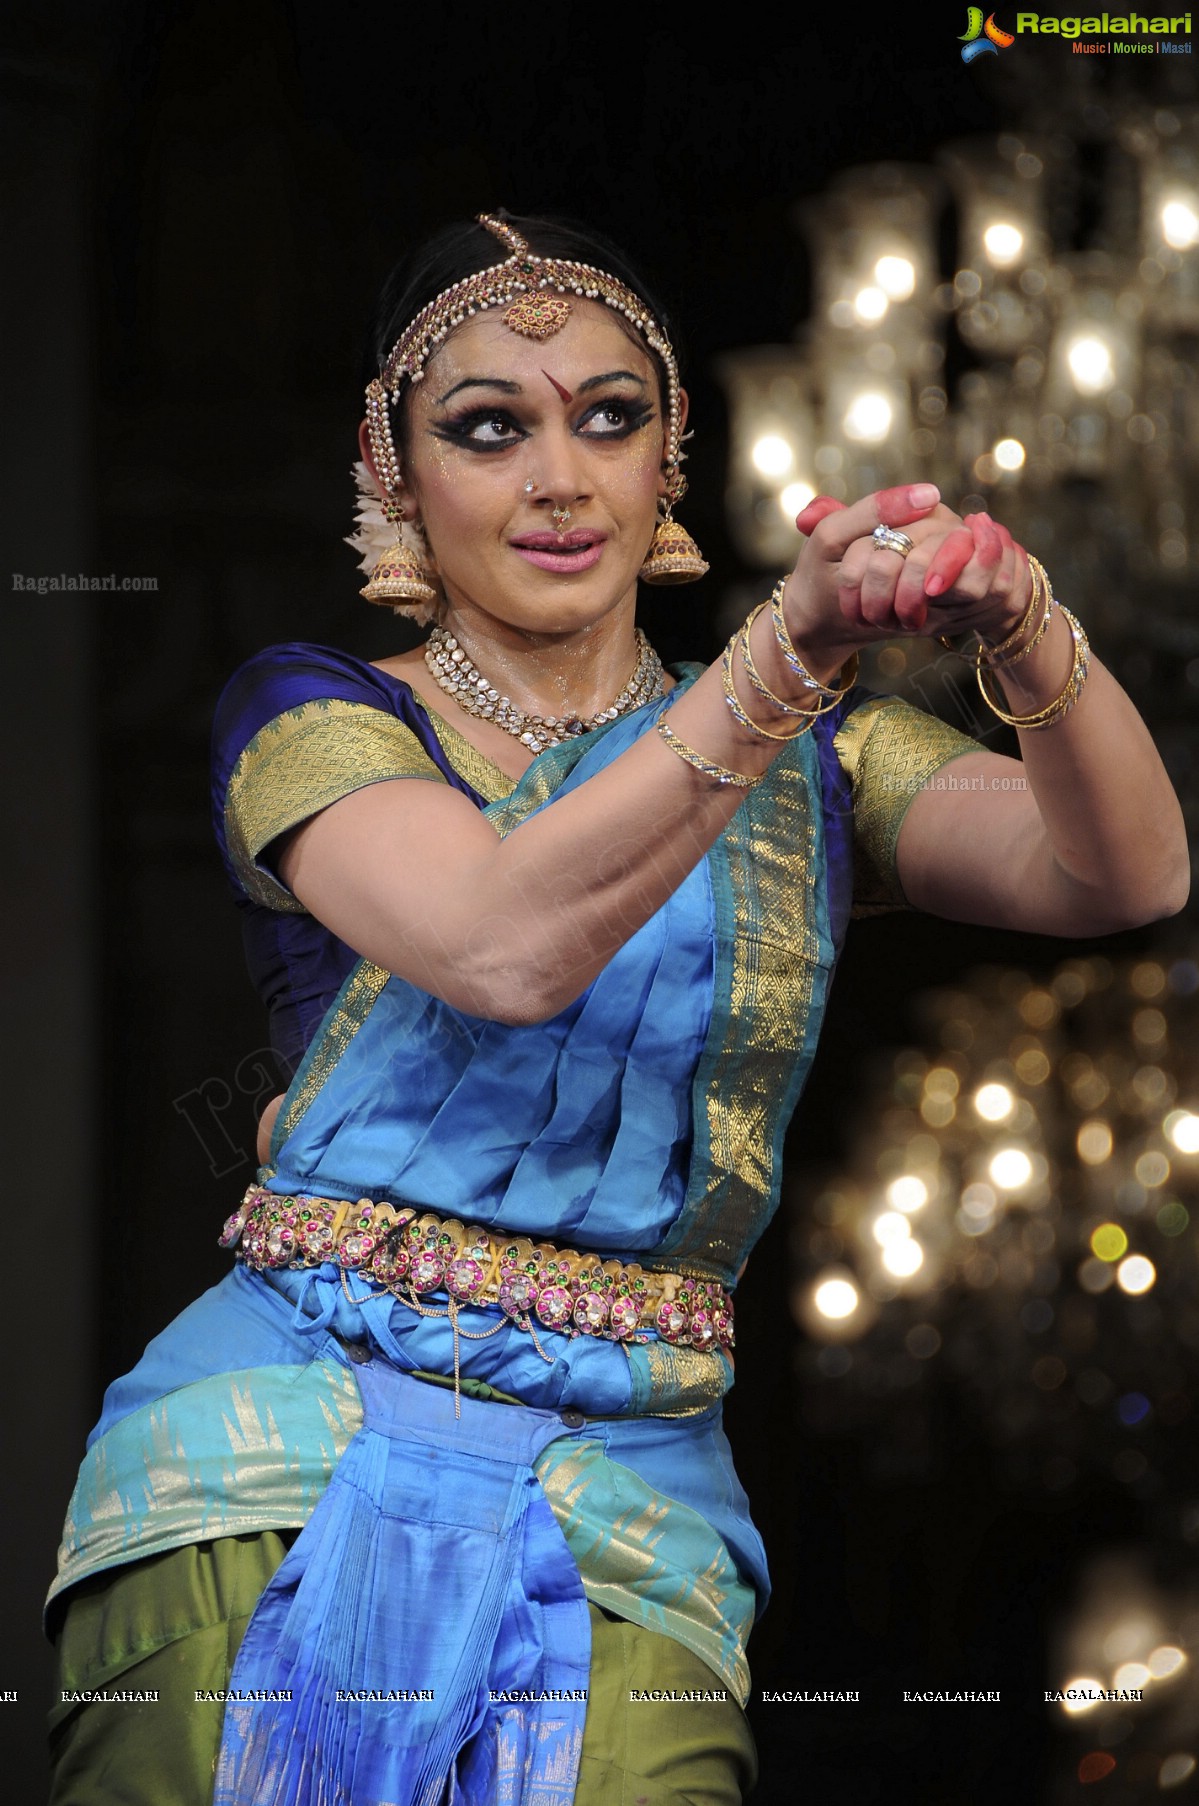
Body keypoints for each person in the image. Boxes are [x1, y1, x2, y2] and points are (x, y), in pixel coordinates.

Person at [45, 211, 1189, 1806]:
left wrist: (1022, 621)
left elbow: (1118, 871)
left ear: (672, 459)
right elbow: (502, 946)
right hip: (272, 1459)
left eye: (609, 416)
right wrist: (783, 656)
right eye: (489, 428)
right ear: (392, 468)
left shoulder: (814, 767)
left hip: (633, 1495)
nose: (558, 479)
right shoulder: (313, 712)